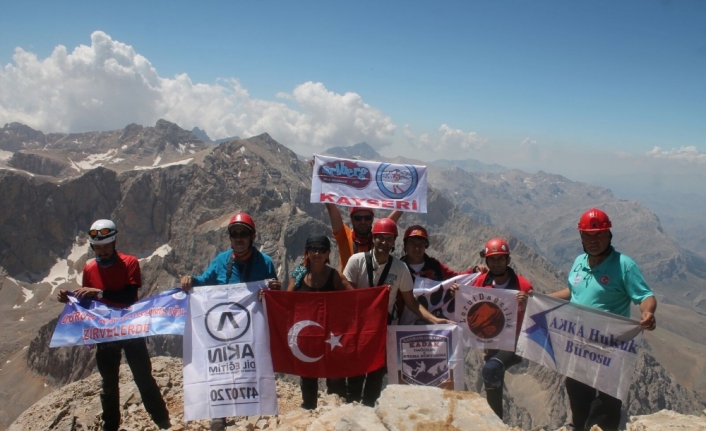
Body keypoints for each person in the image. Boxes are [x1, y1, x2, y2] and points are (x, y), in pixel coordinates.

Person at [549, 208, 657, 431]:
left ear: (609, 235)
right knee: (578, 399)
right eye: (587, 235)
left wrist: (647, 312)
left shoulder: (623, 265)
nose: (593, 240)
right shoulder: (580, 261)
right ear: (581, 237)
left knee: (605, 407)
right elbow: (572, 292)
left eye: (599, 234)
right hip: (579, 345)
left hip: (610, 348)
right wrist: (538, 300)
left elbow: (645, 296)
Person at [57, 220, 171, 431]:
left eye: (106, 246)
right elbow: (87, 301)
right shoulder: (89, 268)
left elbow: (128, 296)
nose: (102, 251)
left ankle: (162, 421)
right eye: (98, 247)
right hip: (106, 331)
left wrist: (98, 293)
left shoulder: (130, 263)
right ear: (92, 247)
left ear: (114, 243)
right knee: (108, 383)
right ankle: (111, 426)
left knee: (143, 377)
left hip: (130, 327)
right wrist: (70, 299)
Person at [180, 212, 281, 431]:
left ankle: (253, 407)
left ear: (252, 236)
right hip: (224, 327)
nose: (238, 238)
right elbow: (204, 282)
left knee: (249, 364)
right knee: (224, 366)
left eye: (243, 233)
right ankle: (220, 414)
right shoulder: (221, 261)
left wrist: (274, 292)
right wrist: (191, 281)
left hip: (253, 327)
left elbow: (274, 291)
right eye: (234, 233)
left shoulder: (265, 263)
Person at [342, 218, 452, 406]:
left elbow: (412, 303)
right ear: (373, 238)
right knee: (355, 375)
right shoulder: (356, 262)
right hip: (359, 329)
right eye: (381, 238)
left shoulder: (400, 269)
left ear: (394, 242)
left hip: (383, 329)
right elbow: (346, 297)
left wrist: (435, 320)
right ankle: (350, 413)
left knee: (376, 374)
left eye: (389, 239)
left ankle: (368, 415)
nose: (384, 243)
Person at [453, 238, 532, 421]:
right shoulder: (481, 281)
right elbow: (469, 302)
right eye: (492, 259)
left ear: (508, 261)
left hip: (515, 344)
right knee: (493, 373)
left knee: (491, 369)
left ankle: (495, 423)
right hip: (490, 342)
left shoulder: (523, 287)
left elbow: (535, 320)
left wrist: (527, 305)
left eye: (500, 259)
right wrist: (456, 293)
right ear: (486, 262)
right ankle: (495, 421)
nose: (496, 263)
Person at [287, 234, 354, 409]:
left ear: (327, 254)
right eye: (313, 249)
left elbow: (355, 298)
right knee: (308, 377)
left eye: (322, 250)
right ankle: (309, 412)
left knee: (336, 378)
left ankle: (337, 414)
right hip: (308, 337)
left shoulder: (335, 277)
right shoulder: (298, 277)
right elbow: (285, 302)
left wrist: (380, 293)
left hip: (332, 337)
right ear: (307, 252)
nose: (317, 253)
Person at [325, 203, 402, 270]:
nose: (363, 222)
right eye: (358, 218)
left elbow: (389, 222)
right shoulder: (344, 236)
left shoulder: (377, 239)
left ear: (372, 219)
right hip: (348, 286)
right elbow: (331, 208)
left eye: (367, 218)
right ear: (352, 220)